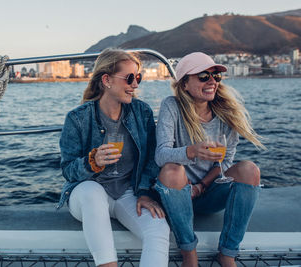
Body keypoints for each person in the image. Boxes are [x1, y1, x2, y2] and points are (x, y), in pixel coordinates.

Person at [58, 48, 170, 267]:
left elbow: (151, 159)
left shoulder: (142, 112)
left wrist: (145, 192)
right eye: (129, 78)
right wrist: (92, 162)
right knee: (92, 192)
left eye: (138, 77)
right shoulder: (77, 118)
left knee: (157, 228)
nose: (136, 85)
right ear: (106, 80)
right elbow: (68, 169)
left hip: (127, 191)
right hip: (87, 193)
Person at [154, 52, 265, 267]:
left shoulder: (226, 114)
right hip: (176, 195)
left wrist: (202, 186)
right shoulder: (172, 106)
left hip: (208, 193)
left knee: (249, 170)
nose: (212, 81)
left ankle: (228, 253)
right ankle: (189, 253)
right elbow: (161, 155)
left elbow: (225, 163)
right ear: (184, 83)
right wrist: (192, 151)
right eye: (203, 76)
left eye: (216, 76)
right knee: (171, 170)